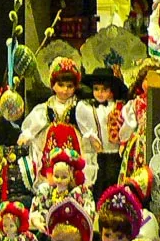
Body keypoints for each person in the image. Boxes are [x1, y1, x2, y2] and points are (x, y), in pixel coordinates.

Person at [18, 56, 99, 196]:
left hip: (71, 143)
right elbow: (36, 122)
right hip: (52, 143)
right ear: (52, 85)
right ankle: (50, 192)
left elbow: (87, 127)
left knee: (73, 168)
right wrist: (27, 134)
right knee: (49, 168)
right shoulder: (46, 107)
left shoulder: (79, 107)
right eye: (60, 85)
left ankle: (72, 191)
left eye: (69, 86)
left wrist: (92, 138)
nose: (65, 90)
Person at [86, 67, 129, 200]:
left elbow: (126, 126)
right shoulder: (89, 108)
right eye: (96, 89)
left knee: (113, 181)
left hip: (115, 152)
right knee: (99, 182)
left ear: (111, 91)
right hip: (98, 153)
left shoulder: (118, 107)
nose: (100, 93)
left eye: (104, 89)